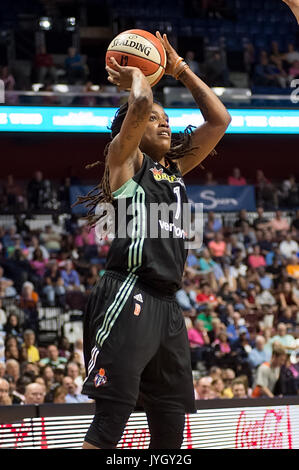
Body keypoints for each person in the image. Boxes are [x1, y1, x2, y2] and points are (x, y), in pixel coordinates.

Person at [74, 31, 231, 450]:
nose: (163, 121)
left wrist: (179, 69)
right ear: (133, 128)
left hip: (167, 306)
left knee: (170, 432)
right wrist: (137, 81)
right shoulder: (122, 160)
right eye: (155, 119)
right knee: (111, 421)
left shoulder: (174, 168)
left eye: (166, 119)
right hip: (128, 291)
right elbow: (141, 104)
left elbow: (220, 120)